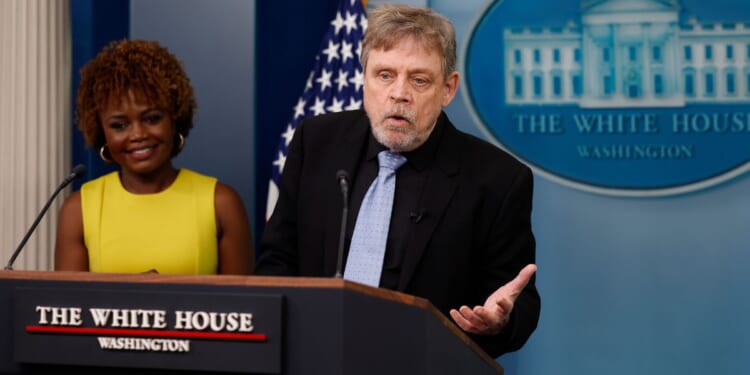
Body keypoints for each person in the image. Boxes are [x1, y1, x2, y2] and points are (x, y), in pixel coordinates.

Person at [255, 4, 539, 358]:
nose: (398, 93)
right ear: (364, 77)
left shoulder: (497, 180)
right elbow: (277, 259)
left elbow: (517, 300)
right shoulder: (317, 142)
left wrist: (500, 322)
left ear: (448, 89)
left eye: (419, 80)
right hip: (314, 357)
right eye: (385, 75)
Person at [54, 39, 254, 275]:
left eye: (152, 119)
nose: (138, 134)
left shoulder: (221, 203)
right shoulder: (78, 210)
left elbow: (243, 308)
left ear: (175, 118)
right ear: (102, 132)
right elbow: (68, 309)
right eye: (119, 125)